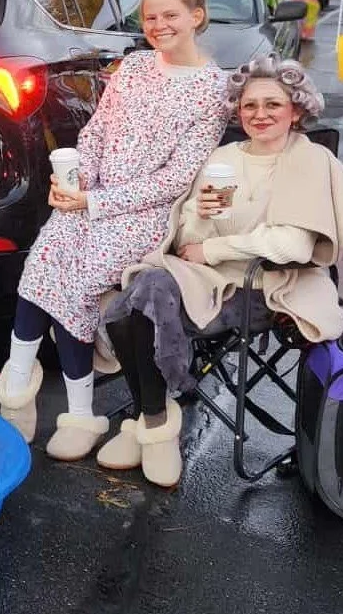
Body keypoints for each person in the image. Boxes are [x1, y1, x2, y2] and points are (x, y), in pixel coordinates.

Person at [0, 0, 228, 461]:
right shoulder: (137, 65)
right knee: (42, 266)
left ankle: (76, 414)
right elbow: (98, 129)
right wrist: (76, 185)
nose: (159, 27)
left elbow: (176, 178)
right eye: (149, 19)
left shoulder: (213, 89)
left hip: (143, 212)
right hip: (92, 193)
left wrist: (99, 202)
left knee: (76, 285)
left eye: (170, 16)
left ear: (197, 16)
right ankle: (22, 386)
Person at [102, 57, 343, 487]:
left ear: (296, 109)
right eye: (250, 106)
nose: (260, 114)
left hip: (267, 286)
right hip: (204, 277)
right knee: (129, 302)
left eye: (273, 104)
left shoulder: (309, 159)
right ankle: (153, 421)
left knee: (148, 296)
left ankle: (150, 420)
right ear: (238, 110)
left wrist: (213, 246)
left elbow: (292, 245)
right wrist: (200, 214)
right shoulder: (224, 157)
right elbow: (184, 239)